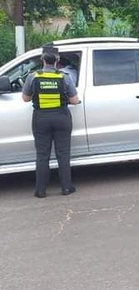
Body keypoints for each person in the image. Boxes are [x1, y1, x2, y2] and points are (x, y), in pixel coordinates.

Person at [22, 45, 80, 198]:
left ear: (42, 59)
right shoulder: (64, 77)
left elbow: (25, 98)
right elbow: (74, 100)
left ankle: (40, 190)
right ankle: (66, 188)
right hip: (61, 118)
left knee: (42, 155)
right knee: (63, 154)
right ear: (57, 60)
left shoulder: (33, 77)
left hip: (41, 118)